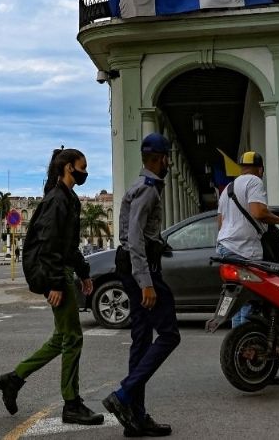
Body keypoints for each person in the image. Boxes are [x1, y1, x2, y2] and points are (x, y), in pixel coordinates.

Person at [0, 148, 104, 427]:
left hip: (65, 271)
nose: (85, 172)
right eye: (82, 166)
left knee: (61, 338)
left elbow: (68, 243)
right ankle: (71, 403)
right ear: (68, 167)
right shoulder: (57, 200)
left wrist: (84, 272)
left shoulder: (67, 198)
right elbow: (48, 244)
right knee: (73, 339)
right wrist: (56, 283)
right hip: (58, 275)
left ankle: (14, 379)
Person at [102, 133, 179, 437]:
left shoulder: (141, 186)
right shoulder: (148, 190)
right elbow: (135, 238)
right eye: (168, 158)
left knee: (141, 338)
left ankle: (136, 416)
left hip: (133, 264)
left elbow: (141, 236)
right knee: (170, 333)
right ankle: (123, 396)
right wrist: (146, 282)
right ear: (162, 159)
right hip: (140, 268)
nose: (169, 163)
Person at [216, 151, 279, 327]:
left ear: (242, 168)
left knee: (236, 299)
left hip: (226, 248)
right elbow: (258, 212)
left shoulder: (228, 188)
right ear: (260, 169)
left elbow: (220, 223)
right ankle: (247, 345)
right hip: (244, 248)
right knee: (250, 300)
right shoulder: (254, 181)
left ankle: (237, 343)